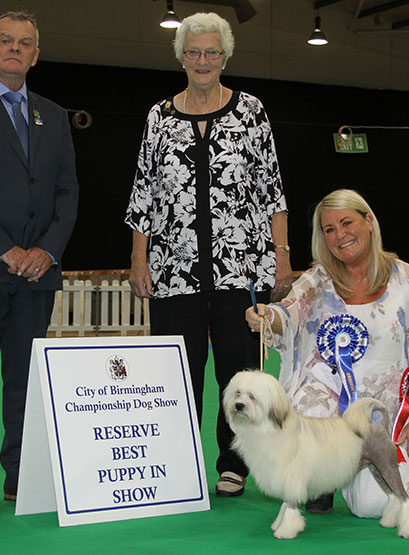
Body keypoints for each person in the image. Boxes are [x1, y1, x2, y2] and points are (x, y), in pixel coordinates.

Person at [125, 12, 291, 497]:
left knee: (238, 375)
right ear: (181, 57)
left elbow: (272, 189)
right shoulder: (158, 116)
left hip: (239, 272)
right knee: (176, 372)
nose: (202, 60)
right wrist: (140, 258)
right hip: (174, 273)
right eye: (193, 52)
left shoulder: (251, 111)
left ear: (225, 57)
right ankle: (175, 459)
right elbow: (143, 195)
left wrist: (281, 255)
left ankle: (234, 461)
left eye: (211, 52)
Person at [246, 188, 409, 517]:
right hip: (328, 407)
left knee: (372, 506)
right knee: (307, 405)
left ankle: (351, 478)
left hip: (385, 412)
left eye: (347, 223)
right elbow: (287, 313)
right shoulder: (316, 280)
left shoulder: (408, 280)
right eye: (329, 230)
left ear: (369, 221)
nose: (340, 235)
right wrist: (267, 316)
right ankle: (320, 483)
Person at [0, 11, 79, 513]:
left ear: (36, 55)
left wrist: (47, 251)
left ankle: (20, 474)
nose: (15, 48)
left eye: (26, 43)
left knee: (25, 380)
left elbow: (67, 193)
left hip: (38, 275)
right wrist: (5, 249)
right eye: (5, 41)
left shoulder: (53, 115)